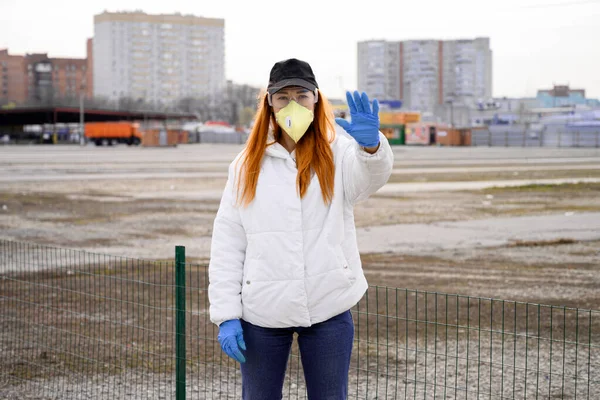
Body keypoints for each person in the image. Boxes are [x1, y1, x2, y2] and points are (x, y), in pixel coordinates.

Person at [208, 58, 394, 399]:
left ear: (316, 100)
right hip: (262, 311)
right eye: (283, 97)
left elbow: (368, 180)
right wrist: (226, 315)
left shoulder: (339, 151)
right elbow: (228, 242)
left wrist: (372, 148)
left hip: (328, 305)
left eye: (302, 95)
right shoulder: (245, 164)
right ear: (269, 102)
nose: (293, 104)